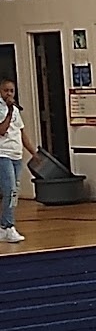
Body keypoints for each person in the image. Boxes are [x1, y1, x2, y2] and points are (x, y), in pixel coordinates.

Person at [0, 79, 37, 243]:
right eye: (6, 90)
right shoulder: (4, 109)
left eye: (12, 91)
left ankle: (4, 227)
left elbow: (21, 133)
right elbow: (2, 130)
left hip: (16, 155)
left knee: (14, 192)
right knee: (9, 189)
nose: (9, 94)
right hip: (3, 154)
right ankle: (8, 226)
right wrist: (8, 111)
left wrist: (33, 153)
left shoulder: (15, 110)